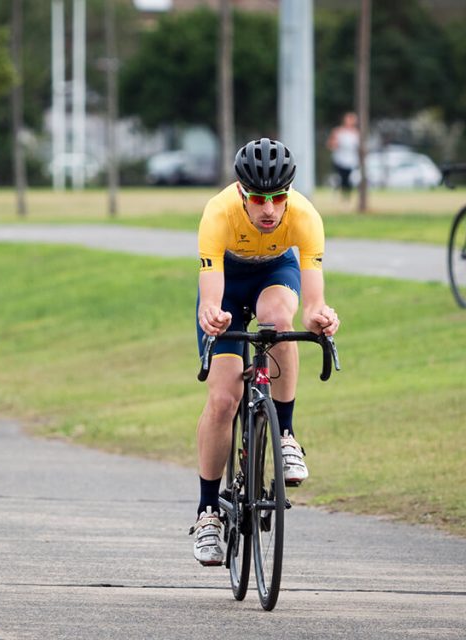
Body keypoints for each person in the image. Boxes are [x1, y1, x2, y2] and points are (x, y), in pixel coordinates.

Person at [190, 138, 340, 566]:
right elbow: (210, 296)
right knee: (222, 400)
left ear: (288, 192)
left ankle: (286, 433)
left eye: (277, 198)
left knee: (280, 321)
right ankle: (207, 513)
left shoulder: (306, 216)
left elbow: (312, 304)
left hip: (276, 271)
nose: (269, 210)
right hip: (228, 280)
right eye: (258, 199)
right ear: (242, 192)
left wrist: (322, 317)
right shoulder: (218, 213)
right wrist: (212, 315)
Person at [327, 112, 360, 200]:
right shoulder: (338, 131)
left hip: (351, 161)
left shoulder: (356, 133)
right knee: (339, 179)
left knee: (349, 180)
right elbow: (331, 144)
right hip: (339, 160)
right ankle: (337, 194)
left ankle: (346, 196)